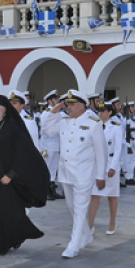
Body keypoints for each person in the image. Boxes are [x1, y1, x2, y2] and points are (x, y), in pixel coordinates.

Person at [0, 94, 50, 256]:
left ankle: (3, 242)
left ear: (3, 111)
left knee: (7, 213)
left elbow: (25, 155)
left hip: (6, 180)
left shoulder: (13, 129)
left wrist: (11, 174)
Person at [40, 90, 107, 259]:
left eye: (72, 104)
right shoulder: (64, 121)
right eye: (67, 104)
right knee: (71, 207)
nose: (69, 107)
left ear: (82, 105)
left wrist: (101, 175)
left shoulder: (94, 123)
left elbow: (101, 152)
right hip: (66, 172)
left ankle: (74, 245)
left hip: (84, 173)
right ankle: (87, 235)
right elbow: (47, 130)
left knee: (79, 209)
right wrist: (53, 111)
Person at [87, 100, 123, 235]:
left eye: (103, 111)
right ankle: (90, 225)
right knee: (95, 195)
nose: (100, 113)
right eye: (99, 111)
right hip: (97, 165)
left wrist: (113, 166)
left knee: (112, 196)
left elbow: (119, 148)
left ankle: (112, 222)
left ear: (109, 112)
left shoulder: (116, 127)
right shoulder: (95, 125)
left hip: (110, 164)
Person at [40, 91, 63, 199]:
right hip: (48, 145)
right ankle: (46, 191)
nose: (58, 101)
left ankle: (52, 189)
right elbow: (44, 130)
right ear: (50, 101)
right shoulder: (46, 113)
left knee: (54, 168)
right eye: (55, 99)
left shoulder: (59, 113)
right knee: (48, 168)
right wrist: (43, 147)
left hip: (56, 144)